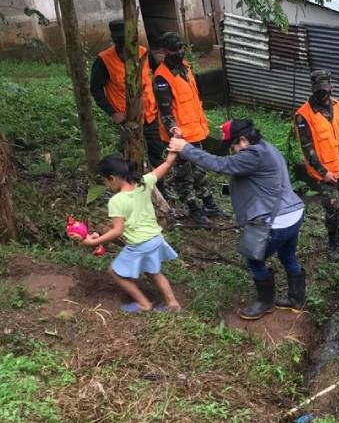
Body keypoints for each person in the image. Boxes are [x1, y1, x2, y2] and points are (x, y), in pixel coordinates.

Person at [168, 119, 306, 320]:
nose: (233, 151)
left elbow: (219, 164)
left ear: (243, 140)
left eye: (233, 146)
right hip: (293, 214)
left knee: (254, 260)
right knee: (288, 256)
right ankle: (297, 299)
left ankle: (265, 302)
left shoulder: (253, 155)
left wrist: (185, 148)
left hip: (276, 221)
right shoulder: (266, 148)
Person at [74, 153, 180, 313]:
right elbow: (164, 166)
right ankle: (173, 304)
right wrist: (171, 156)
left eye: (104, 180)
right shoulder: (144, 183)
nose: (106, 184)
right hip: (156, 239)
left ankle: (144, 304)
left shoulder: (116, 201)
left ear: (112, 178)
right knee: (153, 272)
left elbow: (117, 230)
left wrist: (93, 242)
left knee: (115, 272)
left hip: (140, 244)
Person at [153, 32, 224, 226]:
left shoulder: (185, 68)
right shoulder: (161, 77)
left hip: (196, 132)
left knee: (199, 170)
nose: (179, 52)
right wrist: (173, 131)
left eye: (180, 48)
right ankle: (194, 210)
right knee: (184, 176)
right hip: (179, 137)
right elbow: (165, 112)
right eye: (174, 50)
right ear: (164, 51)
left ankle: (209, 203)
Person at [89, 20, 166, 173]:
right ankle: (131, 182)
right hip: (127, 119)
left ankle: (159, 184)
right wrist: (113, 113)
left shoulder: (143, 53)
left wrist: (161, 100)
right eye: (120, 41)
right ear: (114, 41)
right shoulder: (104, 60)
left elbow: (160, 74)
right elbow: (96, 89)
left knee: (157, 153)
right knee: (129, 157)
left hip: (150, 115)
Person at [295, 70, 339, 259]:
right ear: (313, 90)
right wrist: (324, 172)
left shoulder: (337, 106)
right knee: (332, 207)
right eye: (318, 91)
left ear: (331, 87)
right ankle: (332, 244)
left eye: (325, 90)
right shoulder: (303, 115)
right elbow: (307, 148)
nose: (322, 95)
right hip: (324, 172)